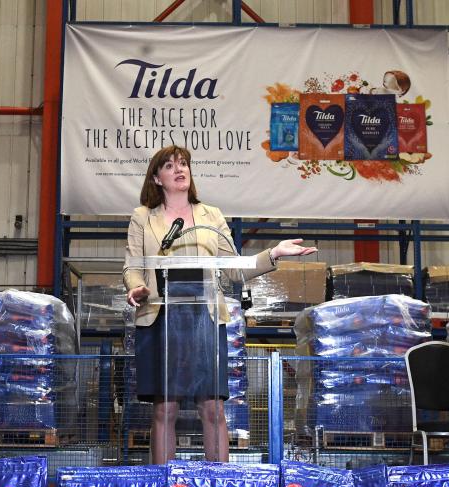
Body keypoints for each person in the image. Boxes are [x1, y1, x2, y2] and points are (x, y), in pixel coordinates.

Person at [124, 145, 316, 464]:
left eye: (183, 163)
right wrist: (136, 287)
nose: (179, 169)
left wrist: (274, 254)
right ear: (157, 178)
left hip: (204, 319)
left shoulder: (211, 216)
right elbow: (133, 265)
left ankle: (218, 486)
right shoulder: (142, 217)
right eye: (170, 166)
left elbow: (234, 268)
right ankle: (162, 486)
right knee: (165, 407)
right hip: (160, 316)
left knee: (212, 406)